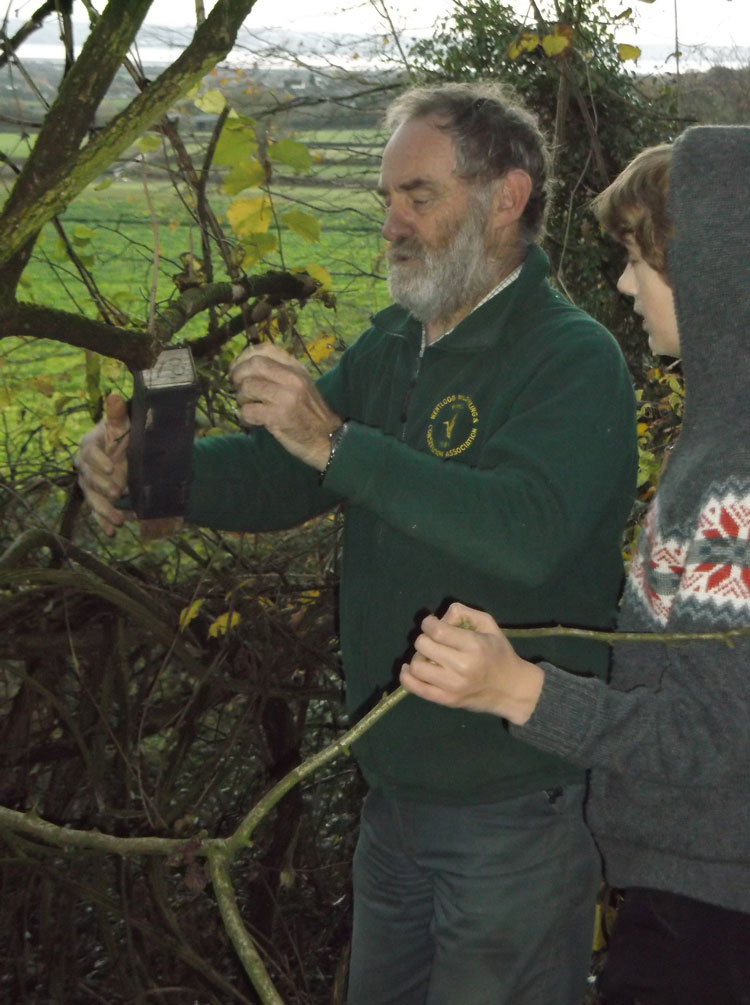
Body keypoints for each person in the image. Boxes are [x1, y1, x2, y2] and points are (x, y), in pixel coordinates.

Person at [76, 82, 637, 1004]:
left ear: (507, 197)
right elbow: (280, 473)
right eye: (387, 200)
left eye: (420, 196)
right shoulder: (395, 347)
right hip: (394, 796)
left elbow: (526, 533)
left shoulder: (571, 357)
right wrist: (147, 473)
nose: (394, 222)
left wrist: (335, 441)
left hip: (513, 805)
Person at [401, 125, 750, 1004]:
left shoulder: (736, 471)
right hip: (693, 889)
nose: (626, 284)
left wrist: (517, 690)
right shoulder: (715, 437)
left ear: (713, 272)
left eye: (641, 259)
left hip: (712, 917)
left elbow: (720, 739)